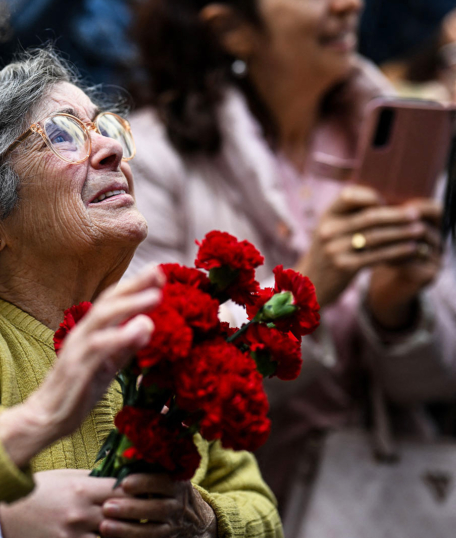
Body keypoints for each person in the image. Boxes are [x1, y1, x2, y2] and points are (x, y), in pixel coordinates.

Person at [0, 49, 283, 538]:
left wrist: (200, 517)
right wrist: (6, 522)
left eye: (106, 129)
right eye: (62, 134)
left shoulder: (165, 344)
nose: (110, 151)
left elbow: (262, 511)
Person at [127, 0, 456, 522]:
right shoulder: (150, 160)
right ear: (232, 29)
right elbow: (154, 395)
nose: (349, 4)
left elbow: (440, 380)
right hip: (238, 508)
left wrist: (397, 312)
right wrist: (304, 295)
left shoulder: (396, 140)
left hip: (391, 503)